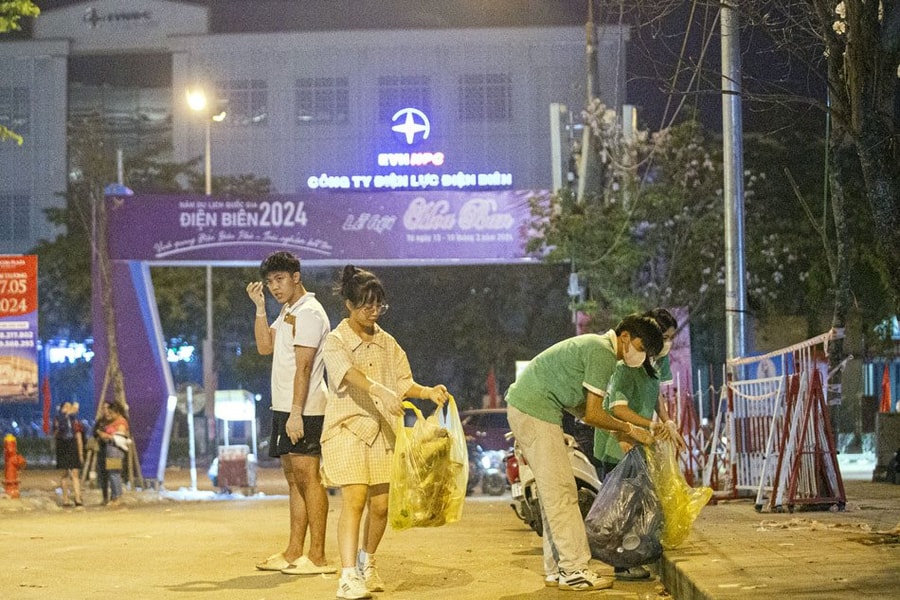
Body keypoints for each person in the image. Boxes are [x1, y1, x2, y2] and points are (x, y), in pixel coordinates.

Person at [504, 314, 665, 591]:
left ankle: (557, 570)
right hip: (535, 409)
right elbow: (592, 414)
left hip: (530, 408)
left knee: (554, 494)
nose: (642, 355)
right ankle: (574, 570)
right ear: (625, 337)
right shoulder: (602, 352)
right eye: (642, 346)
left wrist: (620, 432)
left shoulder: (598, 350)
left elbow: (585, 411)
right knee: (563, 492)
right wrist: (631, 429)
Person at [320, 265, 449, 600]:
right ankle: (347, 576)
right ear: (349, 305)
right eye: (366, 305)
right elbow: (347, 375)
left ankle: (367, 562)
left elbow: (403, 382)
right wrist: (380, 389)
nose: (373, 312)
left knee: (381, 506)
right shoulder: (335, 341)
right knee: (355, 499)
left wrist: (427, 392)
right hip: (348, 428)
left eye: (379, 305)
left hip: (383, 431)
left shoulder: (387, 342)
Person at [247, 251, 336, 576]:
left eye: (280, 279)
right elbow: (264, 347)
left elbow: (305, 366)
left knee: (309, 479)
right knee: (293, 479)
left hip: (306, 409)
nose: (274, 287)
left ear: (296, 277)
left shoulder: (309, 312)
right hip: (284, 407)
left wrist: (296, 414)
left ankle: (318, 557)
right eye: (270, 281)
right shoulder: (288, 311)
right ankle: (294, 551)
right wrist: (260, 309)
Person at [592, 308, 686, 580]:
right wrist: (651, 425)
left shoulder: (657, 361)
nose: (667, 343)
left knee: (637, 502)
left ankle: (631, 555)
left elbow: (656, 394)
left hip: (640, 438)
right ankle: (620, 562)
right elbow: (617, 408)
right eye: (663, 337)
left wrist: (667, 421)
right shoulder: (626, 366)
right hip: (618, 439)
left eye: (670, 338)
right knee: (621, 504)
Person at [95, 402, 129, 507]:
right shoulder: (110, 422)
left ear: (117, 412)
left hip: (116, 451)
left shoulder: (121, 422)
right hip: (110, 450)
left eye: (111, 413)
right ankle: (114, 498)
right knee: (112, 474)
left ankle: (117, 497)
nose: (109, 415)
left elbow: (120, 438)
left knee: (115, 475)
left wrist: (105, 435)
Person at [53, 401, 85, 507]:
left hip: (73, 445)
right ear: (61, 409)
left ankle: (77, 498)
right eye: (66, 406)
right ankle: (65, 499)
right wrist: (65, 417)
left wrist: (80, 453)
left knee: (75, 472)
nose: (69, 408)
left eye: (69, 406)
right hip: (62, 446)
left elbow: (79, 436)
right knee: (65, 473)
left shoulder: (75, 420)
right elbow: (55, 433)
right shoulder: (58, 419)